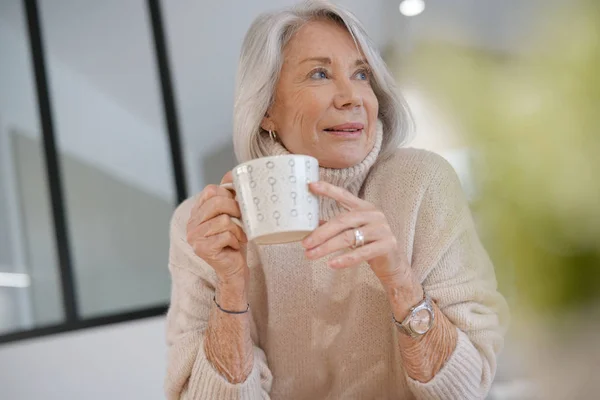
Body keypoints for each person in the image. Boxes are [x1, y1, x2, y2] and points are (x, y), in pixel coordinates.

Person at [164, 1, 509, 399]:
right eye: (319, 73)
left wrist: (400, 280)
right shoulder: (206, 226)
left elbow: (465, 390)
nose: (351, 97)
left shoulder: (423, 184)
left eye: (362, 74)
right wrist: (231, 287)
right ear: (266, 110)